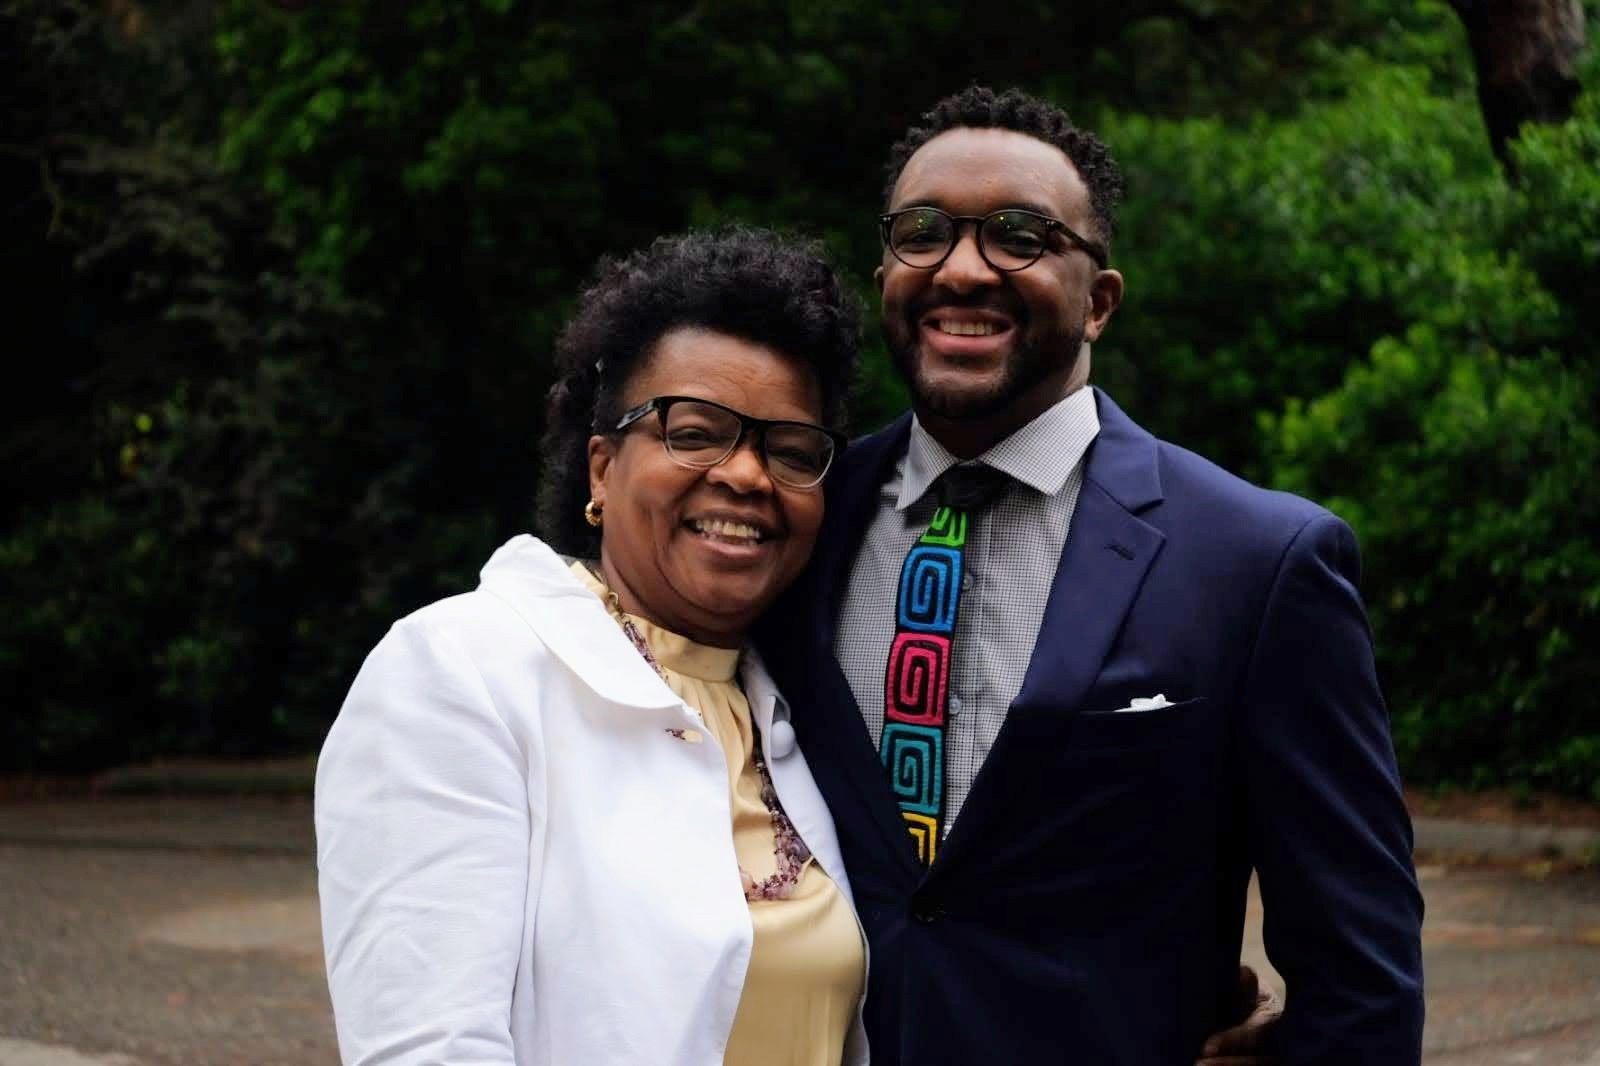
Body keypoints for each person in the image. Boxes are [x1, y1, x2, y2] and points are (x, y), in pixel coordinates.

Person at [756, 86, 1427, 1064]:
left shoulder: (1257, 561)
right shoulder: (791, 520)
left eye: (1020, 236)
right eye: (924, 232)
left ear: (1099, 300)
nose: (963, 268)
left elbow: (1360, 972)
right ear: (887, 271)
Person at [315, 228, 870, 1065]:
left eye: (790, 451)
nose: (749, 476)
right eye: (694, 431)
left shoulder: (801, 708)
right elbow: (427, 1048)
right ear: (601, 468)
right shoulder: (464, 672)